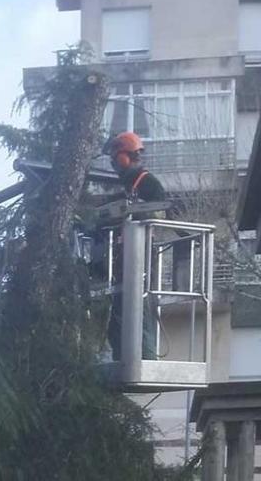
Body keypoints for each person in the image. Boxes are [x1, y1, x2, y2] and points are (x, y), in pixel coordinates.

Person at [103, 131, 166, 362]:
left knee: (141, 307)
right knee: (119, 310)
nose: (113, 163)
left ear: (125, 156)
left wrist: (133, 212)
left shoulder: (147, 182)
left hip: (143, 255)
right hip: (123, 256)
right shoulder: (126, 185)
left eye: (115, 157)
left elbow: (161, 210)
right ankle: (122, 356)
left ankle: (146, 357)